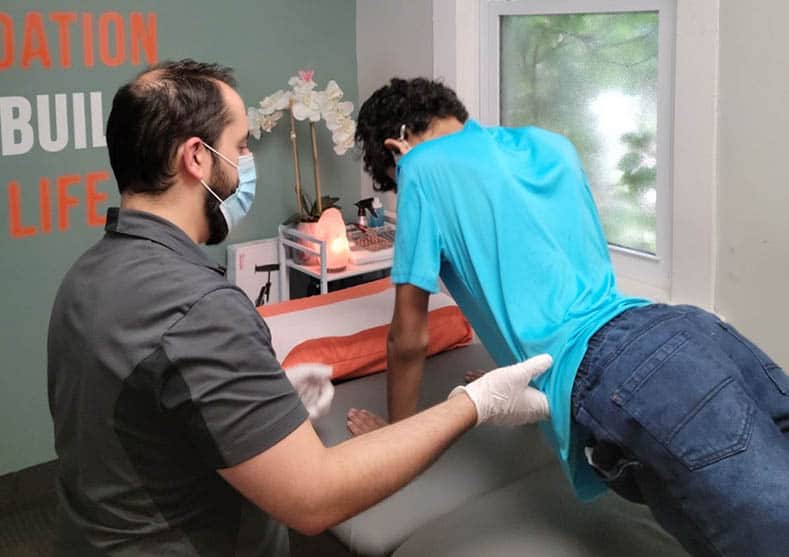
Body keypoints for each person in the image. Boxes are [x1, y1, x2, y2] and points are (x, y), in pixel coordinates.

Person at [46, 61, 555, 556]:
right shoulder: (200, 308)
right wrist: (474, 403)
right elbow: (316, 499)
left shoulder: (86, 275)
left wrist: (244, 403)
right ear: (196, 159)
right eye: (241, 146)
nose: (246, 163)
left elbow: (140, 414)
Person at [351, 77, 789, 556]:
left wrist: (397, 437)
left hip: (621, 371)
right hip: (688, 331)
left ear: (398, 146)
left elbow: (409, 338)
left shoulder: (421, 166)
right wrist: (518, 375)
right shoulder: (548, 144)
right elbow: (545, 266)